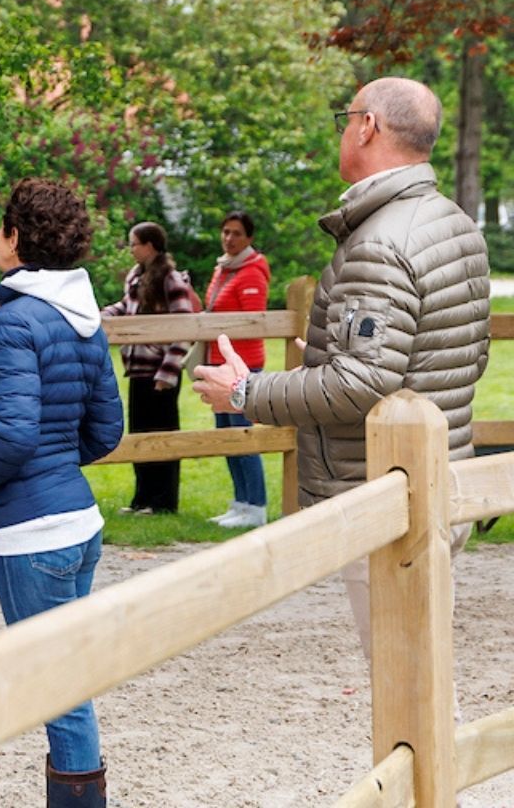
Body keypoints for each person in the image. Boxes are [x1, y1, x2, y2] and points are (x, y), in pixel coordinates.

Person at [193, 77, 490, 661]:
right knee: (422, 665)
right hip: (441, 477)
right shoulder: (452, 221)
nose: (342, 131)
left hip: (384, 493)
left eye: (344, 118)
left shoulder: (380, 242)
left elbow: (362, 383)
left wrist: (246, 389)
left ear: (368, 126)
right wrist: (331, 356)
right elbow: (458, 352)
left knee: (406, 678)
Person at [0, 178, 124, 808]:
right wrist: (55, 466)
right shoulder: (84, 317)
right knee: (65, 678)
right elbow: (106, 430)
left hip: (36, 535)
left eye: (0, 228)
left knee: (58, 688)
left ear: (15, 238)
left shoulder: (14, 323)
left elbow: (16, 436)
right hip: (79, 520)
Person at [100, 222, 199, 515]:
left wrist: (168, 373)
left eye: (134, 243)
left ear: (150, 245)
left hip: (160, 373)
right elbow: (127, 306)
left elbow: (184, 326)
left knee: (162, 434)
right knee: (139, 433)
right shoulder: (136, 276)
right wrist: (105, 314)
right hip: (138, 371)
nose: (131, 249)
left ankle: (163, 501)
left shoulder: (171, 279)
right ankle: (141, 498)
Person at [203, 211, 272, 528]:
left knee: (242, 438)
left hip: (243, 365)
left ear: (249, 238)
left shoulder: (252, 271)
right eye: (225, 232)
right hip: (220, 364)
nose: (229, 238)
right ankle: (240, 504)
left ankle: (255, 507)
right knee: (226, 436)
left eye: (236, 234)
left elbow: (253, 321)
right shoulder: (223, 269)